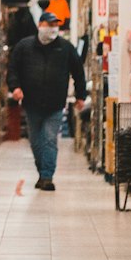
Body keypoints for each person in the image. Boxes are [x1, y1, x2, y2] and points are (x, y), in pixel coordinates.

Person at [6, 11, 87, 190]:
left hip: (55, 103)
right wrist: (15, 87)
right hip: (32, 103)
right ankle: (42, 171)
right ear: (40, 25)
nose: (52, 29)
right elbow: (13, 69)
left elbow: (78, 72)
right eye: (49, 25)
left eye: (55, 26)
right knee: (35, 142)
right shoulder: (24, 47)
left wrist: (81, 95)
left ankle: (47, 176)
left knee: (50, 139)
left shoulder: (66, 48)